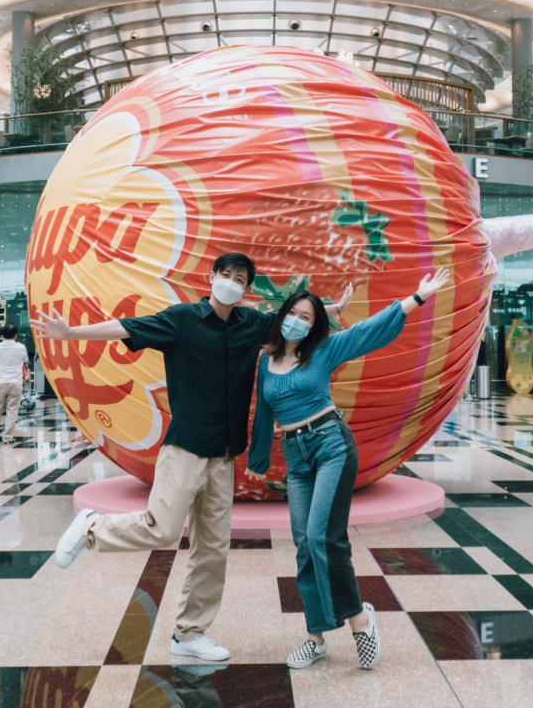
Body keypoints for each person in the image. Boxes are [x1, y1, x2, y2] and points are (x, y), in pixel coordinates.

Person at [34, 252, 352, 663]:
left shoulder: (251, 323)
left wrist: (334, 309)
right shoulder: (182, 319)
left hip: (223, 455)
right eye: (226, 274)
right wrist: (72, 333)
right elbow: (128, 327)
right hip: (185, 446)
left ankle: (189, 633)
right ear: (212, 276)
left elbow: (294, 320)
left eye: (240, 278)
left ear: (246, 288)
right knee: (161, 529)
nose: (232, 282)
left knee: (213, 549)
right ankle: (92, 528)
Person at [246, 269, 450, 671]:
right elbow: (264, 412)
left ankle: (359, 618)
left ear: (315, 325)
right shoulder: (266, 362)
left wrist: (416, 298)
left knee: (324, 537)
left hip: (331, 445)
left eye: (308, 318)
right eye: (295, 314)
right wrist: (257, 459)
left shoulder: (322, 350)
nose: (299, 322)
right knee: (305, 543)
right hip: (297, 456)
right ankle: (316, 636)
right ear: (282, 314)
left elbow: (366, 333)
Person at [0, 323, 29, 443]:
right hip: (15, 383)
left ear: (2, 334)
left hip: (0, 382)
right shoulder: (21, 347)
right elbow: (25, 361)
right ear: (15, 335)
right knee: (12, 410)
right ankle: (7, 437)